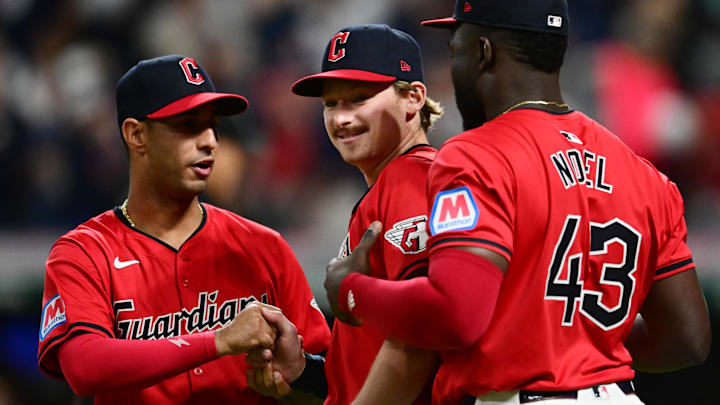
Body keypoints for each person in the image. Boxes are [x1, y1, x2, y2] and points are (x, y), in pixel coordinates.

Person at [324, 1, 712, 405]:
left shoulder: (477, 155)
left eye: (457, 49)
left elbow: (456, 316)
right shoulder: (642, 172)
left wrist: (352, 289)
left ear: (483, 52)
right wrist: (578, 347)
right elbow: (687, 340)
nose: (452, 69)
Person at [37, 54, 331, 404]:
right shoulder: (84, 251)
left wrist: (298, 377)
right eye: (189, 126)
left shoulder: (264, 246)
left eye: (213, 127)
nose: (209, 142)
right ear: (136, 135)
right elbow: (84, 366)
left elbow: (331, 380)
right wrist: (218, 341)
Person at [245, 24, 444, 404]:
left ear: (413, 98)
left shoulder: (412, 178)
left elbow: (418, 337)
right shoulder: (390, 184)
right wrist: (305, 369)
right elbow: (368, 361)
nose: (341, 118)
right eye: (330, 103)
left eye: (358, 98)